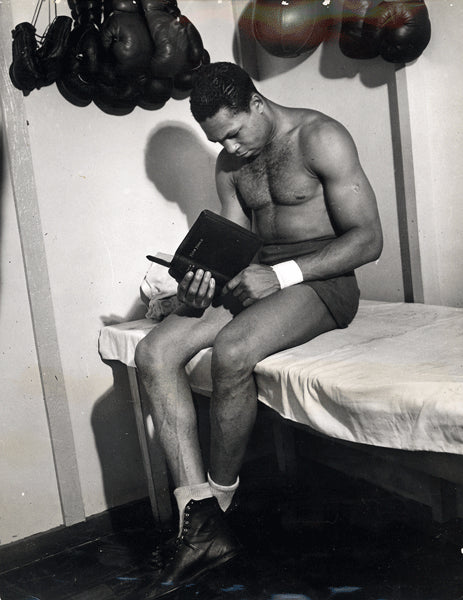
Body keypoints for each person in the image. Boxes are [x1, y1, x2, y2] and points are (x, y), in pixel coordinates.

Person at [132, 61, 383, 599]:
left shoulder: (321, 137)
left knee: (234, 348)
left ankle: (216, 511)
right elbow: (237, 248)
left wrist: (283, 274)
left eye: (235, 132)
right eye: (219, 141)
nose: (232, 148)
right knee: (154, 353)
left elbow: (368, 239)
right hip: (257, 278)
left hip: (323, 280)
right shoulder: (230, 164)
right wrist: (205, 285)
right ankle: (195, 512)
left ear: (256, 104)